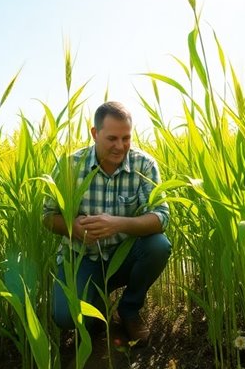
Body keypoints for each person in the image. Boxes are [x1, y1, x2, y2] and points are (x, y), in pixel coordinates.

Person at [42, 101, 171, 342]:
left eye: (126, 138)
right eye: (112, 138)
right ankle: (97, 306)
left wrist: (117, 224)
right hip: (82, 257)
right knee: (67, 318)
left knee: (159, 246)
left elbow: (161, 217)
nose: (120, 146)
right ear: (94, 134)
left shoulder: (144, 165)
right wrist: (73, 227)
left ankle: (129, 309)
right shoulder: (70, 166)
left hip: (126, 257)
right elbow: (48, 217)